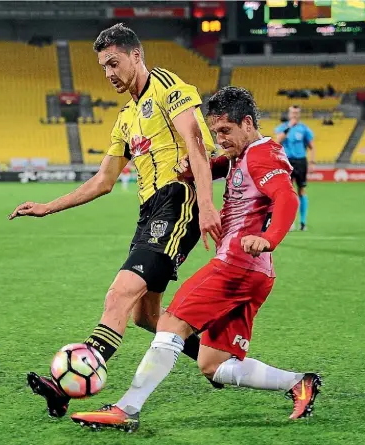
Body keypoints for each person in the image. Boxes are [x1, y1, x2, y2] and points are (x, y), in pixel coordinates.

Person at [70, 87, 322, 431]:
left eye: (225, 131)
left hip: (236, 264)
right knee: (213, 363)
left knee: (170, 323)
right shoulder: (244, 154)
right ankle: (298, 382)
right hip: (256, 275)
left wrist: (268, 239)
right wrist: (196, 168)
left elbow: (286, 198)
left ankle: (127, 408)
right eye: (214, 132)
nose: (219, 139)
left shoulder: (262, 154)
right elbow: (224, 166)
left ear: (247, 123)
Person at [8, 23, 222, 418]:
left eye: (114, 62)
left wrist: (207, 204)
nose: (108, 73)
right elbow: (104, 181)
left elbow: (197, 145)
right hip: (149, 213)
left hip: (178, 202)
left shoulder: (168, 87)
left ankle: (68, 385)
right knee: (147, 316)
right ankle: (218, 359)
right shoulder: (124, 118)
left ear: (136, 56)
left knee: (119, 293)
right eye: (103, 66)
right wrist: (46, 206)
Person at [275, 106, 316, 231]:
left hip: (301, 161)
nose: (294, 115)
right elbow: (278, 141)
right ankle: (290, 222)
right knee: (289, 192)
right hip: (287, 162)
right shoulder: (283, 127)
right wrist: (289, 127)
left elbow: (311, 146)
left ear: (299, 114)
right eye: (293, 112)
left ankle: (303, 222)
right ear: (289, 114)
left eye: (297, 113)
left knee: (302, 190)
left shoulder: (304, 129)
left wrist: (313, 161)